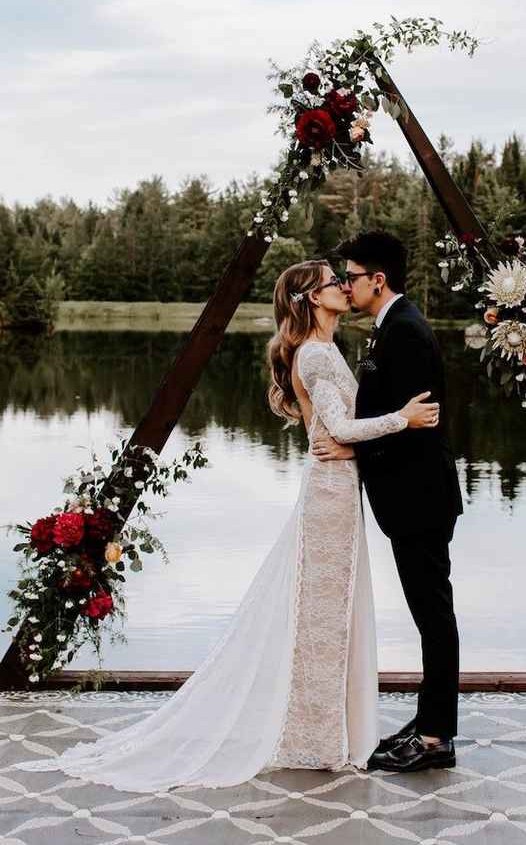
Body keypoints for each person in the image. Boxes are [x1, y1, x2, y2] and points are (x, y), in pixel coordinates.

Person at [14, 258, 439, 791]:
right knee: (322, 620)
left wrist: (348, 436)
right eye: (332, 282)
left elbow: (335, 430)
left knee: (331, 617)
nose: (340, 287)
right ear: (311, 298)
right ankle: (314, 737)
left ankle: (326, 732)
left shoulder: (326, 350)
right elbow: (339, 427)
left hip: (337, 488)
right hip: (329, 497)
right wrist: (405, 418)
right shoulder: (313, 354)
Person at [315, 230, 463, 772]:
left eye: (352, 277)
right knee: (430, 612)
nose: (345, 285)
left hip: (419, 498)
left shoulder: (406, 332)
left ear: (378, 280)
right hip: (411, 497)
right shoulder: (391, 327)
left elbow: (414, 423)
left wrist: (348, 438)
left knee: (433, 615)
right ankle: (429, 723)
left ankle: (436, 738)